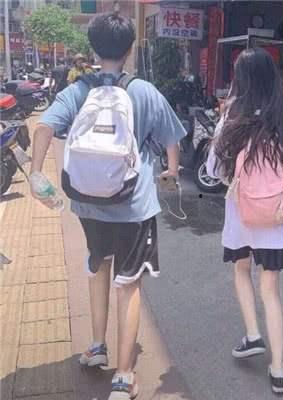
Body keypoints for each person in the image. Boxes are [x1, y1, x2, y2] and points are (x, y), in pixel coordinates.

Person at [30, 12, 186, 400]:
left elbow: (44, 127)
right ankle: (124, 376)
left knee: (97, 266)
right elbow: (172, 141)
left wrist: (35, 174)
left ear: (94, 50)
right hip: (133, 206)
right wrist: (170, 173)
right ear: (130, 49)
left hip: (87, 205)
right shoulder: (144, 91)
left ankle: (97, 346)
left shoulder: (78, 90)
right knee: (129, 285)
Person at [207, 48, 283, 394]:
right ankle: (278, 369)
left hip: (241, 215)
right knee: (271, 289)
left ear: (240, 79)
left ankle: (253, 334)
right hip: (278, 217)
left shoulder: (231, 117)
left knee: (241, 271)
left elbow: (213, 170)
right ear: (272, 77)